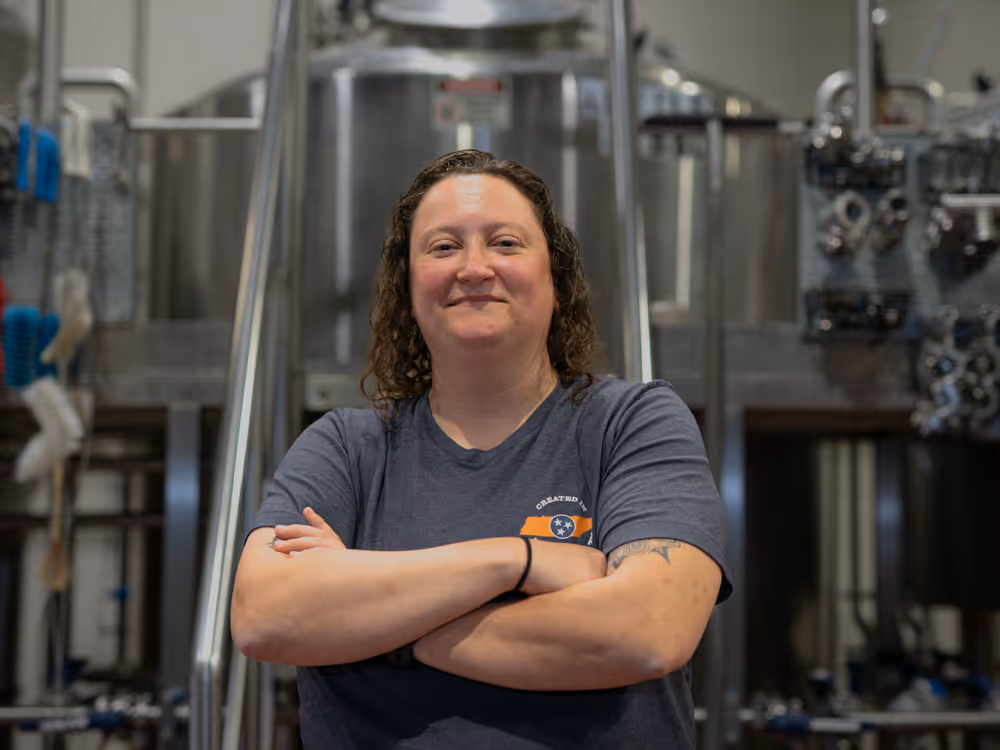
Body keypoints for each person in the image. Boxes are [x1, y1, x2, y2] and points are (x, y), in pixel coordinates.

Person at [231, 149, 733, 749]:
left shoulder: (631, 423)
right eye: (443, 247)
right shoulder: (345, 448)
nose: (473, 267)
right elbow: (264, 614)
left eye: (505, 243)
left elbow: (648, 629)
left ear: (555, 277)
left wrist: (375, 625)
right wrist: (516, 560)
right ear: (408, 284)